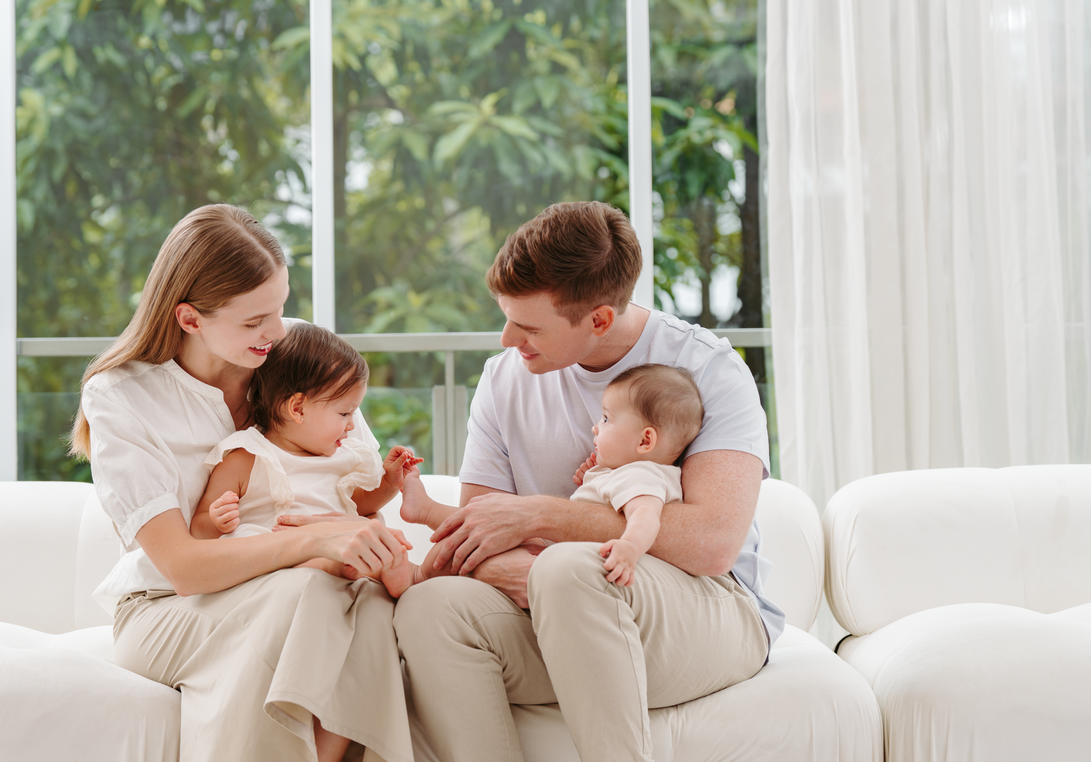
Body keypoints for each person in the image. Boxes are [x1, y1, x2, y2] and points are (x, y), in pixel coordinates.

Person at [393, 201, 785, 762]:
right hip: (560, 609)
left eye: (528, 327)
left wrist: (541, 516)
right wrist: (524, 566)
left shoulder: (705, 370)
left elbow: (712, 543)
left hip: (709, 614)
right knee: (431, 609)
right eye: (506, 317)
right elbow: (475, 540)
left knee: (572, 568)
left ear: (598, 319)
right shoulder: (504, 379)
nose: (507, 340)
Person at [72, 204, 414, 762]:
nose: (276, 332)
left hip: (307, 589)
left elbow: (355, 490)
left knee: (367, 604)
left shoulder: (299, 354)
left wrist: (355, 528)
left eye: (279, 308)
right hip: (166, 611)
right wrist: (314, 540)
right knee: (304, 591)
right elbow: (183, 568)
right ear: (189, 319)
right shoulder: (121, 395)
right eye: (254, 321)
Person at [399, 362, 702, 588]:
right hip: (561, 549)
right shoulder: (625, 473)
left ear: (645, 441)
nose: (596, 426)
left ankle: (421, 559)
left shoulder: (642, 478)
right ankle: (424, 515)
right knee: (488, 534)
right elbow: (608, 505)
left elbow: (646, 517)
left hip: (572, 560)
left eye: (608, 419)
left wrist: (630, 547)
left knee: (486, 539)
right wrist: (593, 479)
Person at [191, 322, 425, 598]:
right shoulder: (248, 457)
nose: (352, 425)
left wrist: (388, 482)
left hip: (342, 549)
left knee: (368, 531)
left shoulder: (343, 456)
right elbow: (198, 527)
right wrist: (218, 520)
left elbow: (359, 505)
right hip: (275, 562)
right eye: (344, 414)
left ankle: (394, 566)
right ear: (298, 408)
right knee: (248, 539)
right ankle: (348, 566)